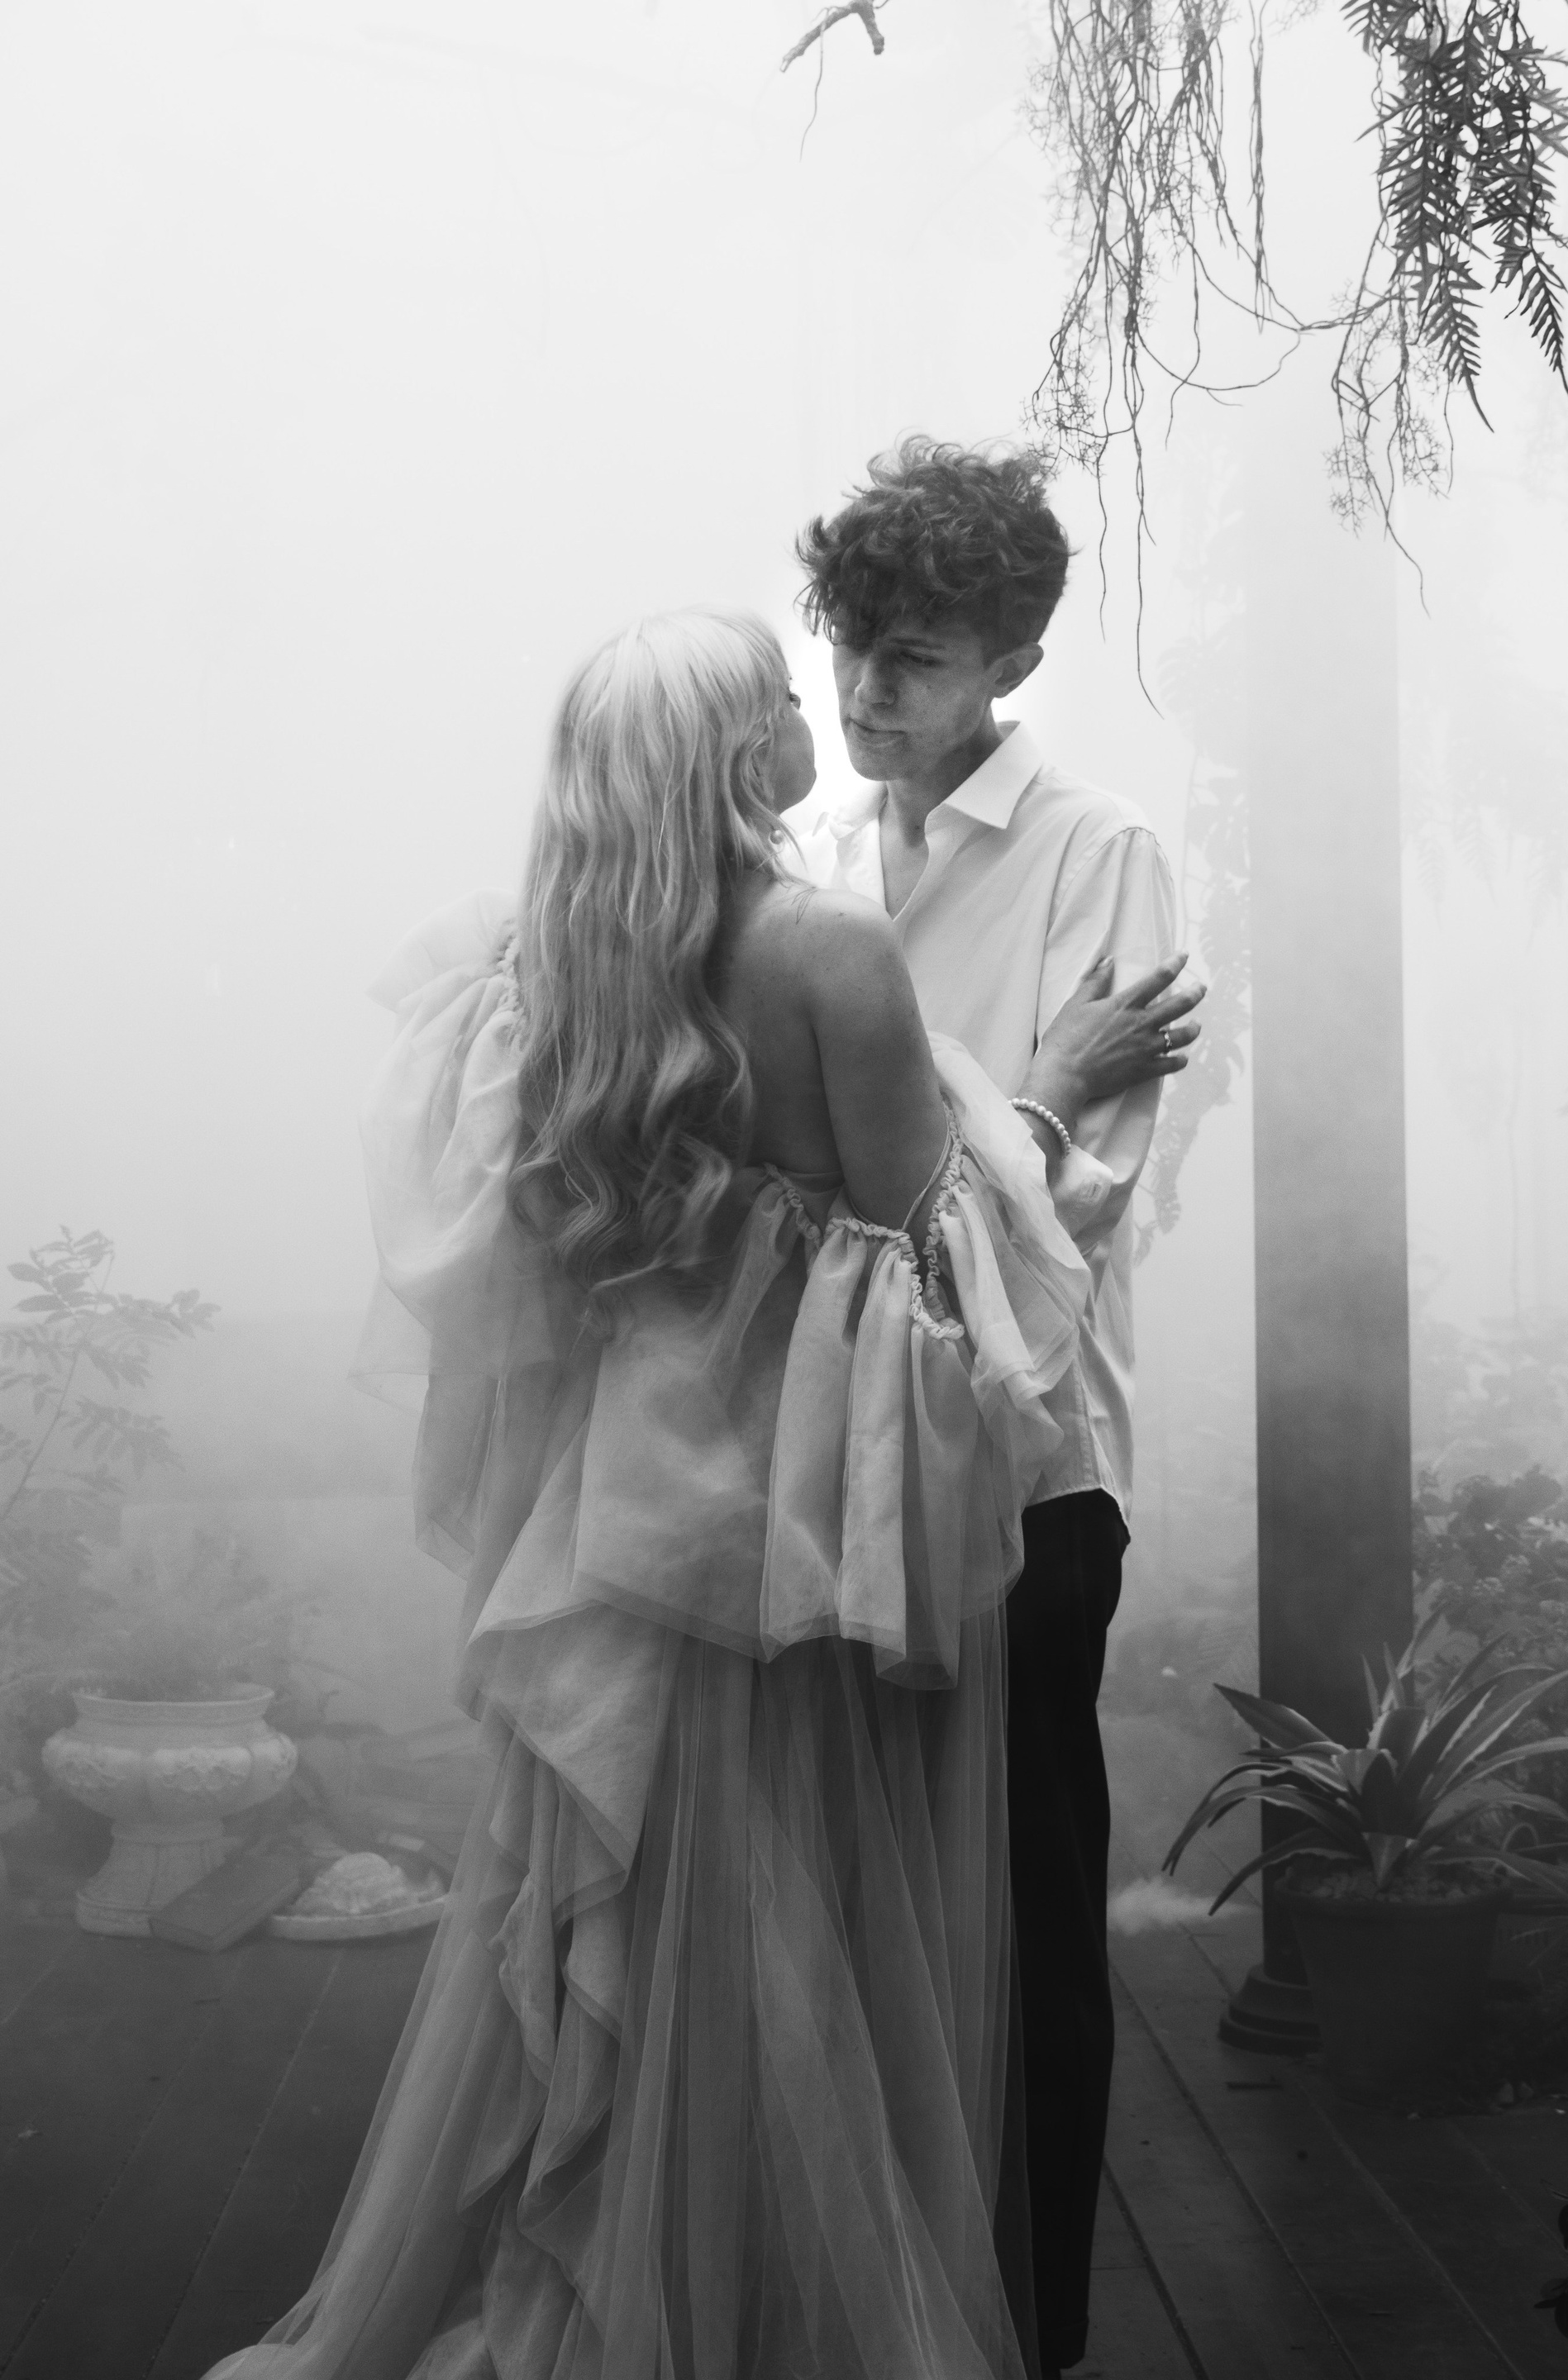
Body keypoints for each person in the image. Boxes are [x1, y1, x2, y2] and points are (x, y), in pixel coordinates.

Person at [205, 607, 1187, 2380]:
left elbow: (518, 1250)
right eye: (785, 695)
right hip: (768, 1542)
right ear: (747, 754)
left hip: (604, 1540)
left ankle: (640, 2290)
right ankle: (759, 2316)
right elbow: (934, 1272)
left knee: (642, 1935)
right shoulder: (824, 947)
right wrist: (1043, 1099)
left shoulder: (552, 964)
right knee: (794, 1942)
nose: (824, 707)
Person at [784, 440, 1200, 2375]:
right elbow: (820, 1188)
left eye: (920, 656)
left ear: (1013, 661)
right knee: (858, 1893)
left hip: (1031, 1468)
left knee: (1027, 1899)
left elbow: (1073, 1216)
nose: (869, 690)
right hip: (831, 1454)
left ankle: (1034, 2328)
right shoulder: (814, 857)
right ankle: (882, 2304)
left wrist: (936, 1172)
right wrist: (1009, 1107)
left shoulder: (1100, 856)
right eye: (854, 644)